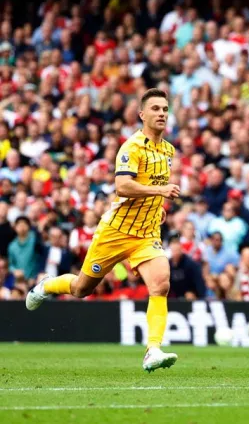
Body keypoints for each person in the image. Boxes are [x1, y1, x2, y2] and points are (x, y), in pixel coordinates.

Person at [26, 88, 181, 372]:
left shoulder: (168, 150)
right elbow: (122, 186)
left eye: (165, 109)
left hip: (146, 233)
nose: (161, 113)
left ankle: (153, 350)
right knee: (81, 288)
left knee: (161, 283)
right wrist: (160, 190)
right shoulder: (132, 147)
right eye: (156, 109)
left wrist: (157, 206)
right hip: (116, 231)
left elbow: (148, 190)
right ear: (142, 114)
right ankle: (47, 284)